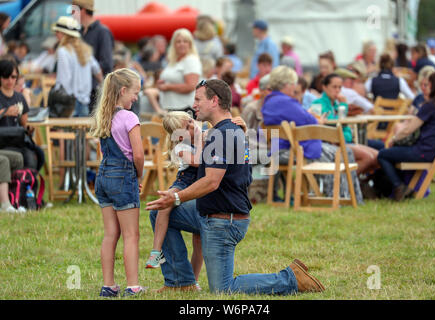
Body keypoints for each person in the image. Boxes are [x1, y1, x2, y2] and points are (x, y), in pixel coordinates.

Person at [146, 78, 325, 294]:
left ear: (214, 101)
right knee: (159, 213)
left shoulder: (222, 134)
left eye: (198, 99)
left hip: (223, 221)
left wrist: (175, 197)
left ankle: (291, 279)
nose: (194, 105)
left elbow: (212, 181)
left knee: (223, 290)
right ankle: (181, 282)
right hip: (213, 212)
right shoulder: (230, 131)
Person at [263, 66, 363, 203]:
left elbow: (300, 118)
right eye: (293, 84)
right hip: (293, 150)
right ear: (286, 84)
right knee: (345, 152)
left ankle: (341, 196)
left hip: (277, 150)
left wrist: (310, 117)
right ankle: (344, 197)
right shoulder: (286, 102)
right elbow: (310, 121)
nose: (294, 87)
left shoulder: (269, 101)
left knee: (340, 151)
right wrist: (316, 119)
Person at [90, 68, 145, 297]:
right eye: (135, 92)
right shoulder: (129, 118)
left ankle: (108, 285)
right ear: (123, 91)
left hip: (103, 177)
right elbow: (138, 155)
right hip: (123, 176)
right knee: (131, 234)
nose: (136, 97)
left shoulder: (104, 116)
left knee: (110, 233)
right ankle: (132, 285)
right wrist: (137, 176)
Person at [145, 112, 203, 287]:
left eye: (190, 122)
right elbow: (199, 161)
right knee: (165, 206)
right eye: (186, 128)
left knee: (198, 238)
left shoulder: (201, 132)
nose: (192, 127)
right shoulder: (180, 148)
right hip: (184, 183)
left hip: (201, 185)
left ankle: (192, 281)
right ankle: (156, 251)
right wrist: (200, 139)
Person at [377, 69, 435, 201]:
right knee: (392, 153)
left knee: (382, 154)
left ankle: (399, 186)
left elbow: (408, 130)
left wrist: (394, 139)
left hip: (423, 152)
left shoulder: (430, 106)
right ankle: (404, 187)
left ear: (434, 86)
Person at [311, 73, 379, 175]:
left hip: (344, 141)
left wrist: (342, 105)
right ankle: (343, 184)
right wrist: (343, 105)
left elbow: (343, 125)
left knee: (378, 157)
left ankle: (357, 184)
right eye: (334, 87)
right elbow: (326, 125)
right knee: (368, 158)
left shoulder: (336, 104)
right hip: (330, 144)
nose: (337, 90)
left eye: (339, 87)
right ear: (324, 87)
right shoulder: (317, 104)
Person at [52, 16, 103, 117]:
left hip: (68, 103)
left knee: (65, 132)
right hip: (84, 101)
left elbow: (64, 80)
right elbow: (97, 71)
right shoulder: (86, 50)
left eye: (57, 32)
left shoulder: (63, 51)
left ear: (64, 34)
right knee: (82, 132)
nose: (56, 34)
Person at [143, 28, 202, 115]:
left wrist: (167, 87)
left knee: (179, 129)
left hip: (183, 109)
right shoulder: (173, 61)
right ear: (174, 44)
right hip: (171, 108)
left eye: (185, 41)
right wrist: (161, 84)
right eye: (178, 41)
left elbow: (191, 86)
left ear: (190, 44)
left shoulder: (191, 60)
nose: (181, 44)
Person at [0, 59, 44, 171]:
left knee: (38, 155)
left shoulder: (19, 97)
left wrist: (29, 129)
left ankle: (27, 185)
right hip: (2, 141)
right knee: (24, 157)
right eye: (6, 77)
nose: (10, 80)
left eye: (13, 77)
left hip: (16, 141)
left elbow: (24, 124)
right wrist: (5, 112)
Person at [73, 0, 114, 112]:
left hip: (94, 91)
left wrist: (86, 70)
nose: (71, 13)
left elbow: (107, 64)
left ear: (83, 11)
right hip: (79, 90)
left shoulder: (102, 32)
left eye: (73, 10)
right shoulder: (78, 32)